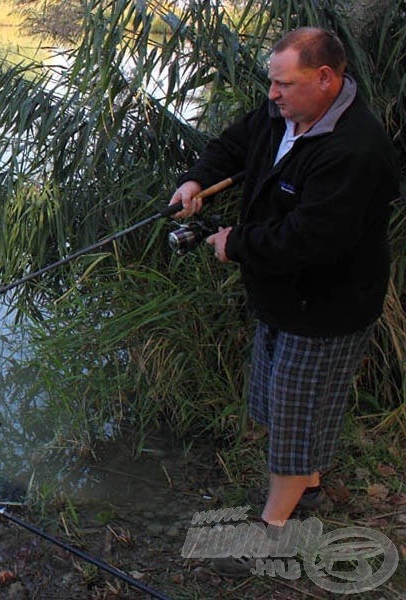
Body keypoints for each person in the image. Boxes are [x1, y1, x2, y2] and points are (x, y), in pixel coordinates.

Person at [170, 27, 399, 573]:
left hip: (327, 305)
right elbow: (235, 143)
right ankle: (311, 485)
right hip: (281, 296)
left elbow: (309, 240)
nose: (272, 94)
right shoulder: (283, 111)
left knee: (297, 412)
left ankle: (273, 529)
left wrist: (235, 246)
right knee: (282, 402)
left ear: (326, 79)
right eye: (271, 83)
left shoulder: (356, 149)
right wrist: (197, 180)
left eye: (284, 83)